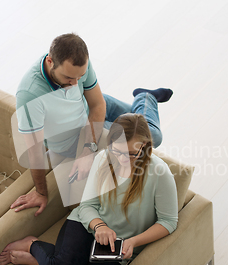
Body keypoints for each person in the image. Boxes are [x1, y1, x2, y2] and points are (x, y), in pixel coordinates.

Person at [0, 114, 178, 265]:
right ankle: (32, 244)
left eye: (131, 153)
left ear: (144, 145)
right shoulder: (103, 158)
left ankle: (41, 262)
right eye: (117, 151)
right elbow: (87, 206)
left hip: (119, 244)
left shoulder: (159, 173)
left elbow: (168, 221)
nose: (122, 159)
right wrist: (99, 226)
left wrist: (134, 242)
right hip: (88, 225)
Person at [11, 33, 173, 216]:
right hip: (79, 132)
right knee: (152, 134)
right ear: (50, 62)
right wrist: (41, 192)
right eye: (68, 78)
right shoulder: (30, 95)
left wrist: (88, 150)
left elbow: (97, 104)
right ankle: (146, 97)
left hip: (92, 107)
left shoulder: (77, 66)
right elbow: (35, 149)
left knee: (137, 118)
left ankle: (143, 99)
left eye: (80, 77)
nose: (75, 84)